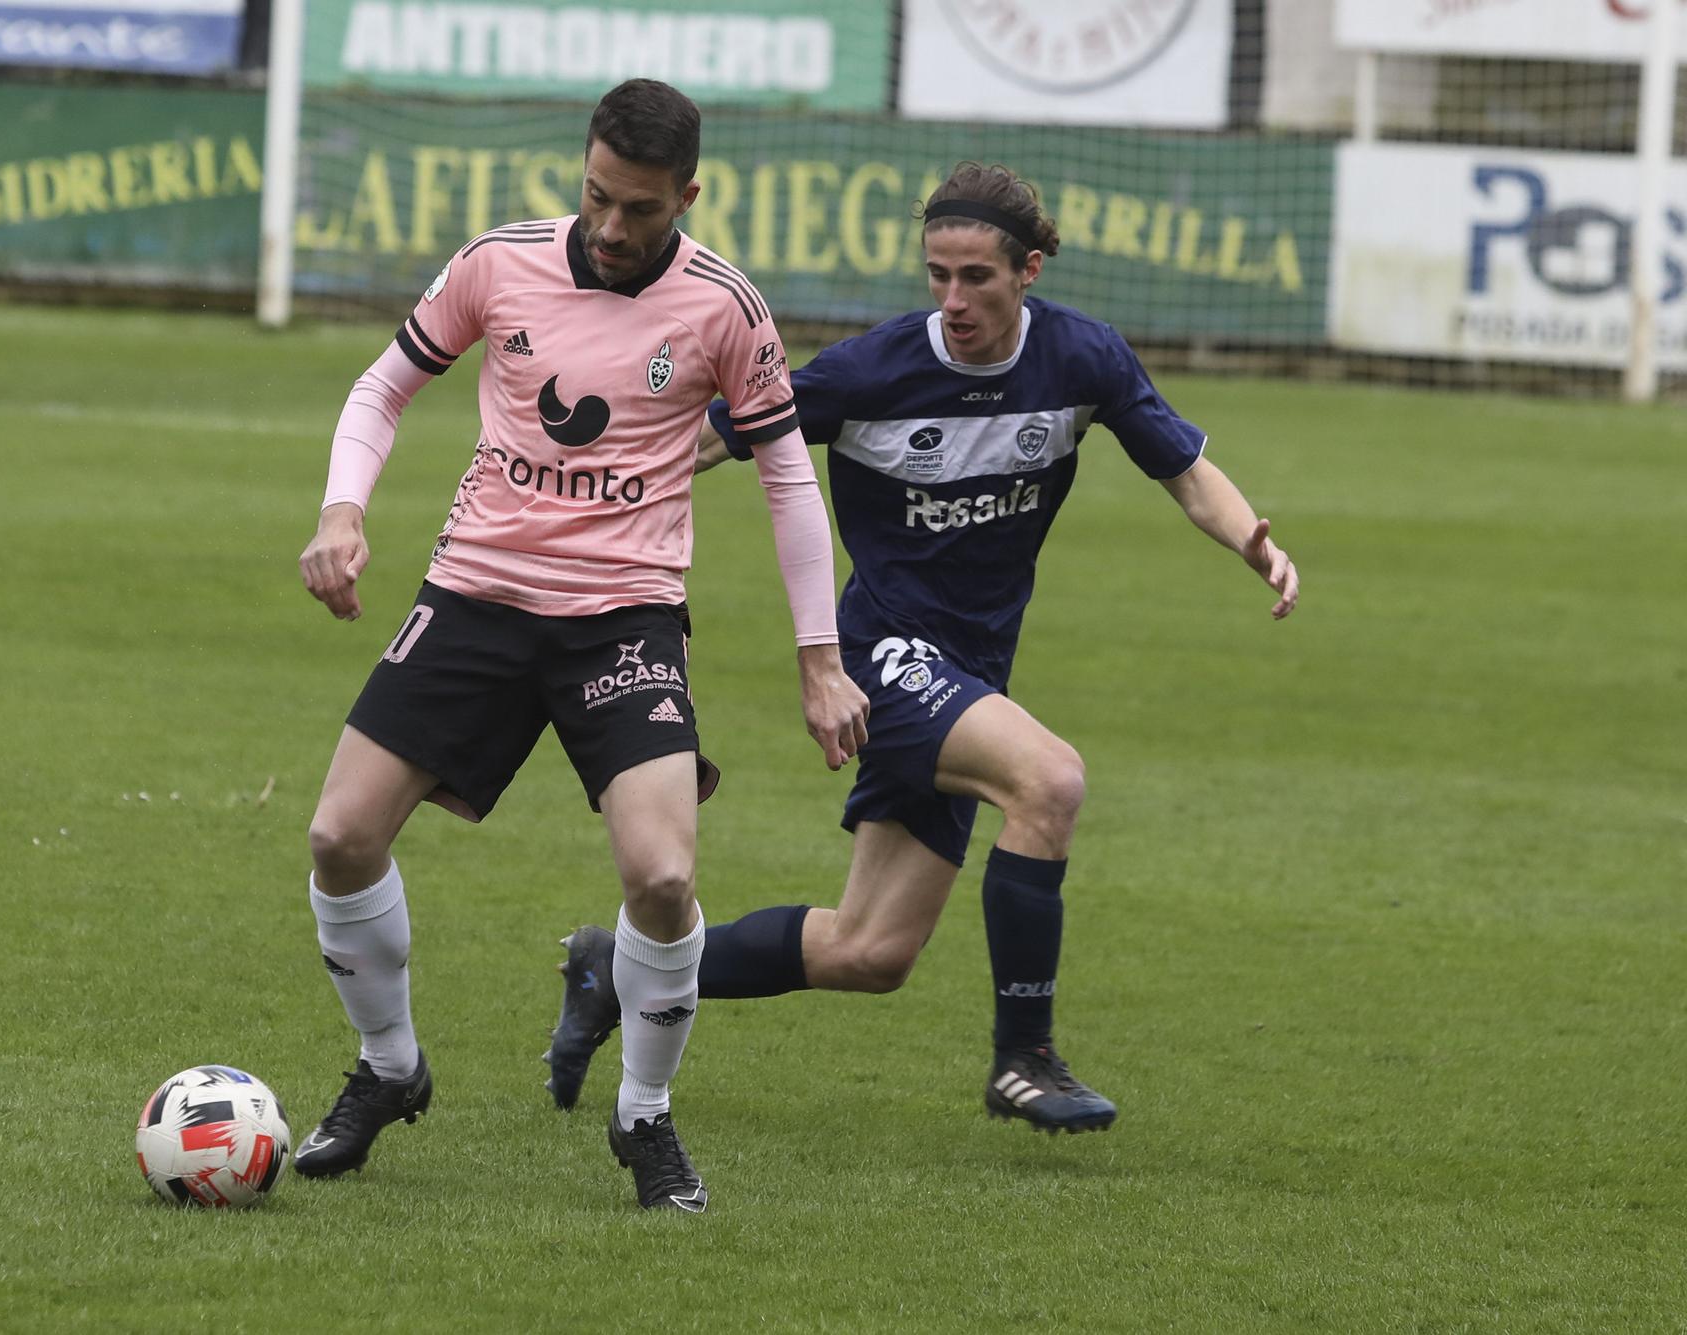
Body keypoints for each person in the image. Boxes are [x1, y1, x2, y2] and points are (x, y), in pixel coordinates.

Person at [544, 162, 1299, 1138]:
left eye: (975, 277)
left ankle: (617, 970)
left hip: (970, 673)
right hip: (879, 658)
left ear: (1026, 269)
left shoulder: (1082, 359)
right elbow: (711, 440)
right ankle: (1023, 1060)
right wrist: (582, 486)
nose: (952, 299)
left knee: (868, 952)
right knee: (1049, 782)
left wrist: (1252, 543)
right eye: (935, 274)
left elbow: (1185, 471)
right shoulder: (871, 371)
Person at [295, 78, 867, 1213]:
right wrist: (341, 509)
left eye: (641, 210)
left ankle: (643, 1118)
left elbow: (787, 474)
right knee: (338, 837)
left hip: (623, 614)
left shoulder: (724, 310)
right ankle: (389, 1067)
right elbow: (384, 385)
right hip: (475, 597)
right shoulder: (497, 265)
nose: (611, 228)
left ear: (687, 197)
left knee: (661, 876)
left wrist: (819, 654)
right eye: (597, 197)